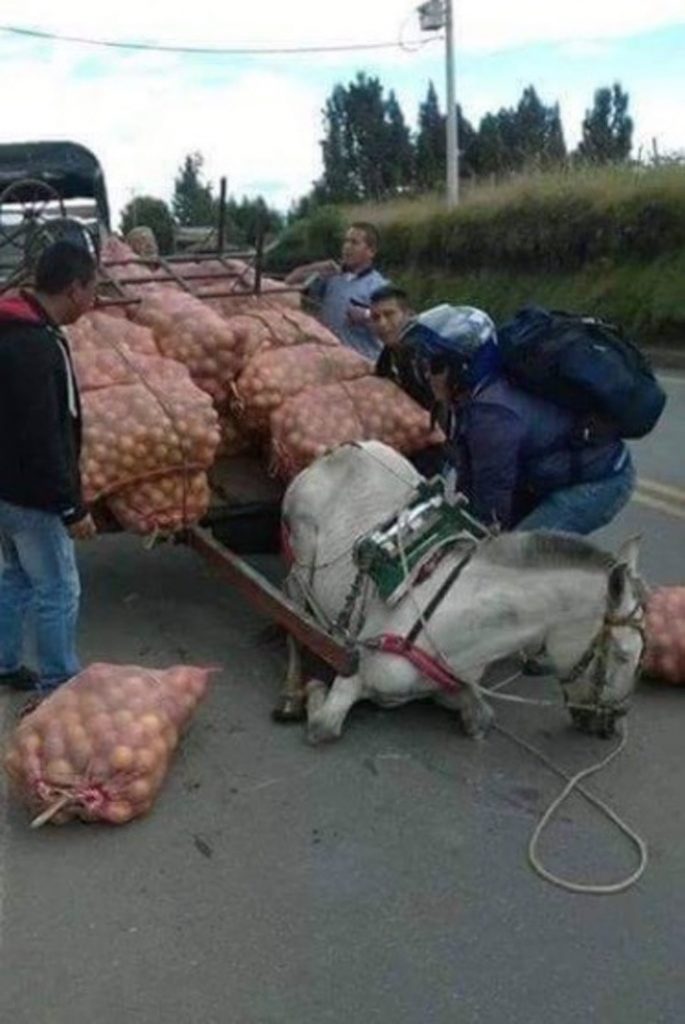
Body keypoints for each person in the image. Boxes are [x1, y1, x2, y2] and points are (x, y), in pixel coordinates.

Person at [399, 304, 635, 534]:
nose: (428, 374)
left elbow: (492, 501)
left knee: (518, 558)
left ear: (461, 365)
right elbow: (470, 483)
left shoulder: (491, 413)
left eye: (435, 365)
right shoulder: (475, 397)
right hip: (548, 478)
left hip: (599, 482)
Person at [0, 240, 98, 696]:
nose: (93, 300)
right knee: (58, 589)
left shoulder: (10, 327)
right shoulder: (37, 347)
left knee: (16, 578)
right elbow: (44, 437)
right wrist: (71, 507)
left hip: (5, 489)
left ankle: (4, 664)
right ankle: (58, 683)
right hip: (32, 496)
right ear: (75, 288)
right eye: (92, 289)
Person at [285, 222, 387, 359]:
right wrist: (318, 266)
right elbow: (290, 281)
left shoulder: (380, 287)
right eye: (345, 241)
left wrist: (367, 315)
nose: (347, 247)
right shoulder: (331, 278)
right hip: (330, 362)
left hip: (364, 366)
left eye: (354, 243)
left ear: (371, 251)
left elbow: (397, 325)